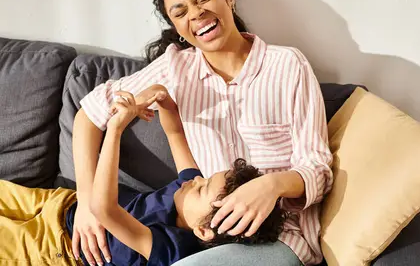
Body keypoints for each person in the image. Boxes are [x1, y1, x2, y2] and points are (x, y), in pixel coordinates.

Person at [72, 0, 333, 266]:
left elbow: (318, 166)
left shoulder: (288, 65)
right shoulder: (175, 68)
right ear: (178, 28)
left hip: (283, 239)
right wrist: (86, 202)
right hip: (212, 239)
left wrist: (271, 185)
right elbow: (88, 114)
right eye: (180, 12)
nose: (196, 13)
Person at [0, 85, 285, 266]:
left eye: (202, 188)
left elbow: (103, 209)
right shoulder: (186, 188)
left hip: (57, 248)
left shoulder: (172, 248)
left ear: (202, 230)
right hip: (63, 203)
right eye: (205, 177)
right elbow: (175, 134)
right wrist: (163, 99)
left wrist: (115, 129)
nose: (196, 179)